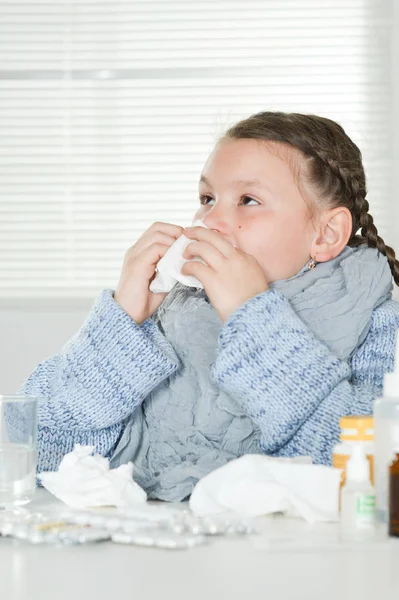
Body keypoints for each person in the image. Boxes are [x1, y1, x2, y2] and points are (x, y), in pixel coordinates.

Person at [22, 111, 399, 501]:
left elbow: (373, 475)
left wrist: (252, 316)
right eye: (207, 198)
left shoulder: (378, 325)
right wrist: (121, 322)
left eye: (248, 200)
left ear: (326, 233)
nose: (210, 219)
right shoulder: (166, 318)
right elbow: (33, 456)